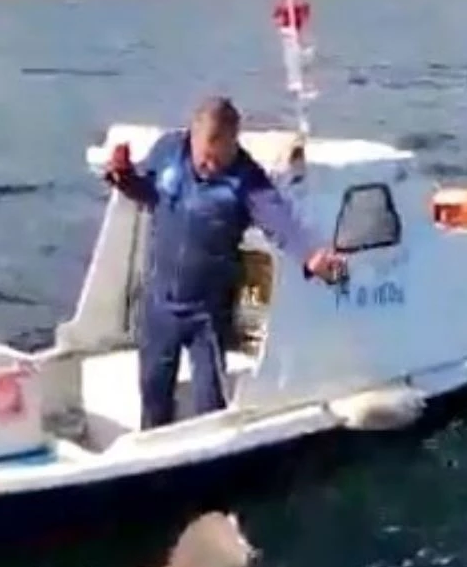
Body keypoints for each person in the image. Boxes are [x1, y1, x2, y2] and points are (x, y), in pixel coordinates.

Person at [104, 96, 347, 431]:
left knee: (210, 408)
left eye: (220, 159)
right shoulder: (168, 150)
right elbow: (151, 193)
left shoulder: (247, 179)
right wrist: (124, 178)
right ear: (191, 136)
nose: (210, 167)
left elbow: (281, 221)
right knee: (153, 396)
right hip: (159, 305)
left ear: (235, 142)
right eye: (205, 158)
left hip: (207, 314)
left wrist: (312, 254)